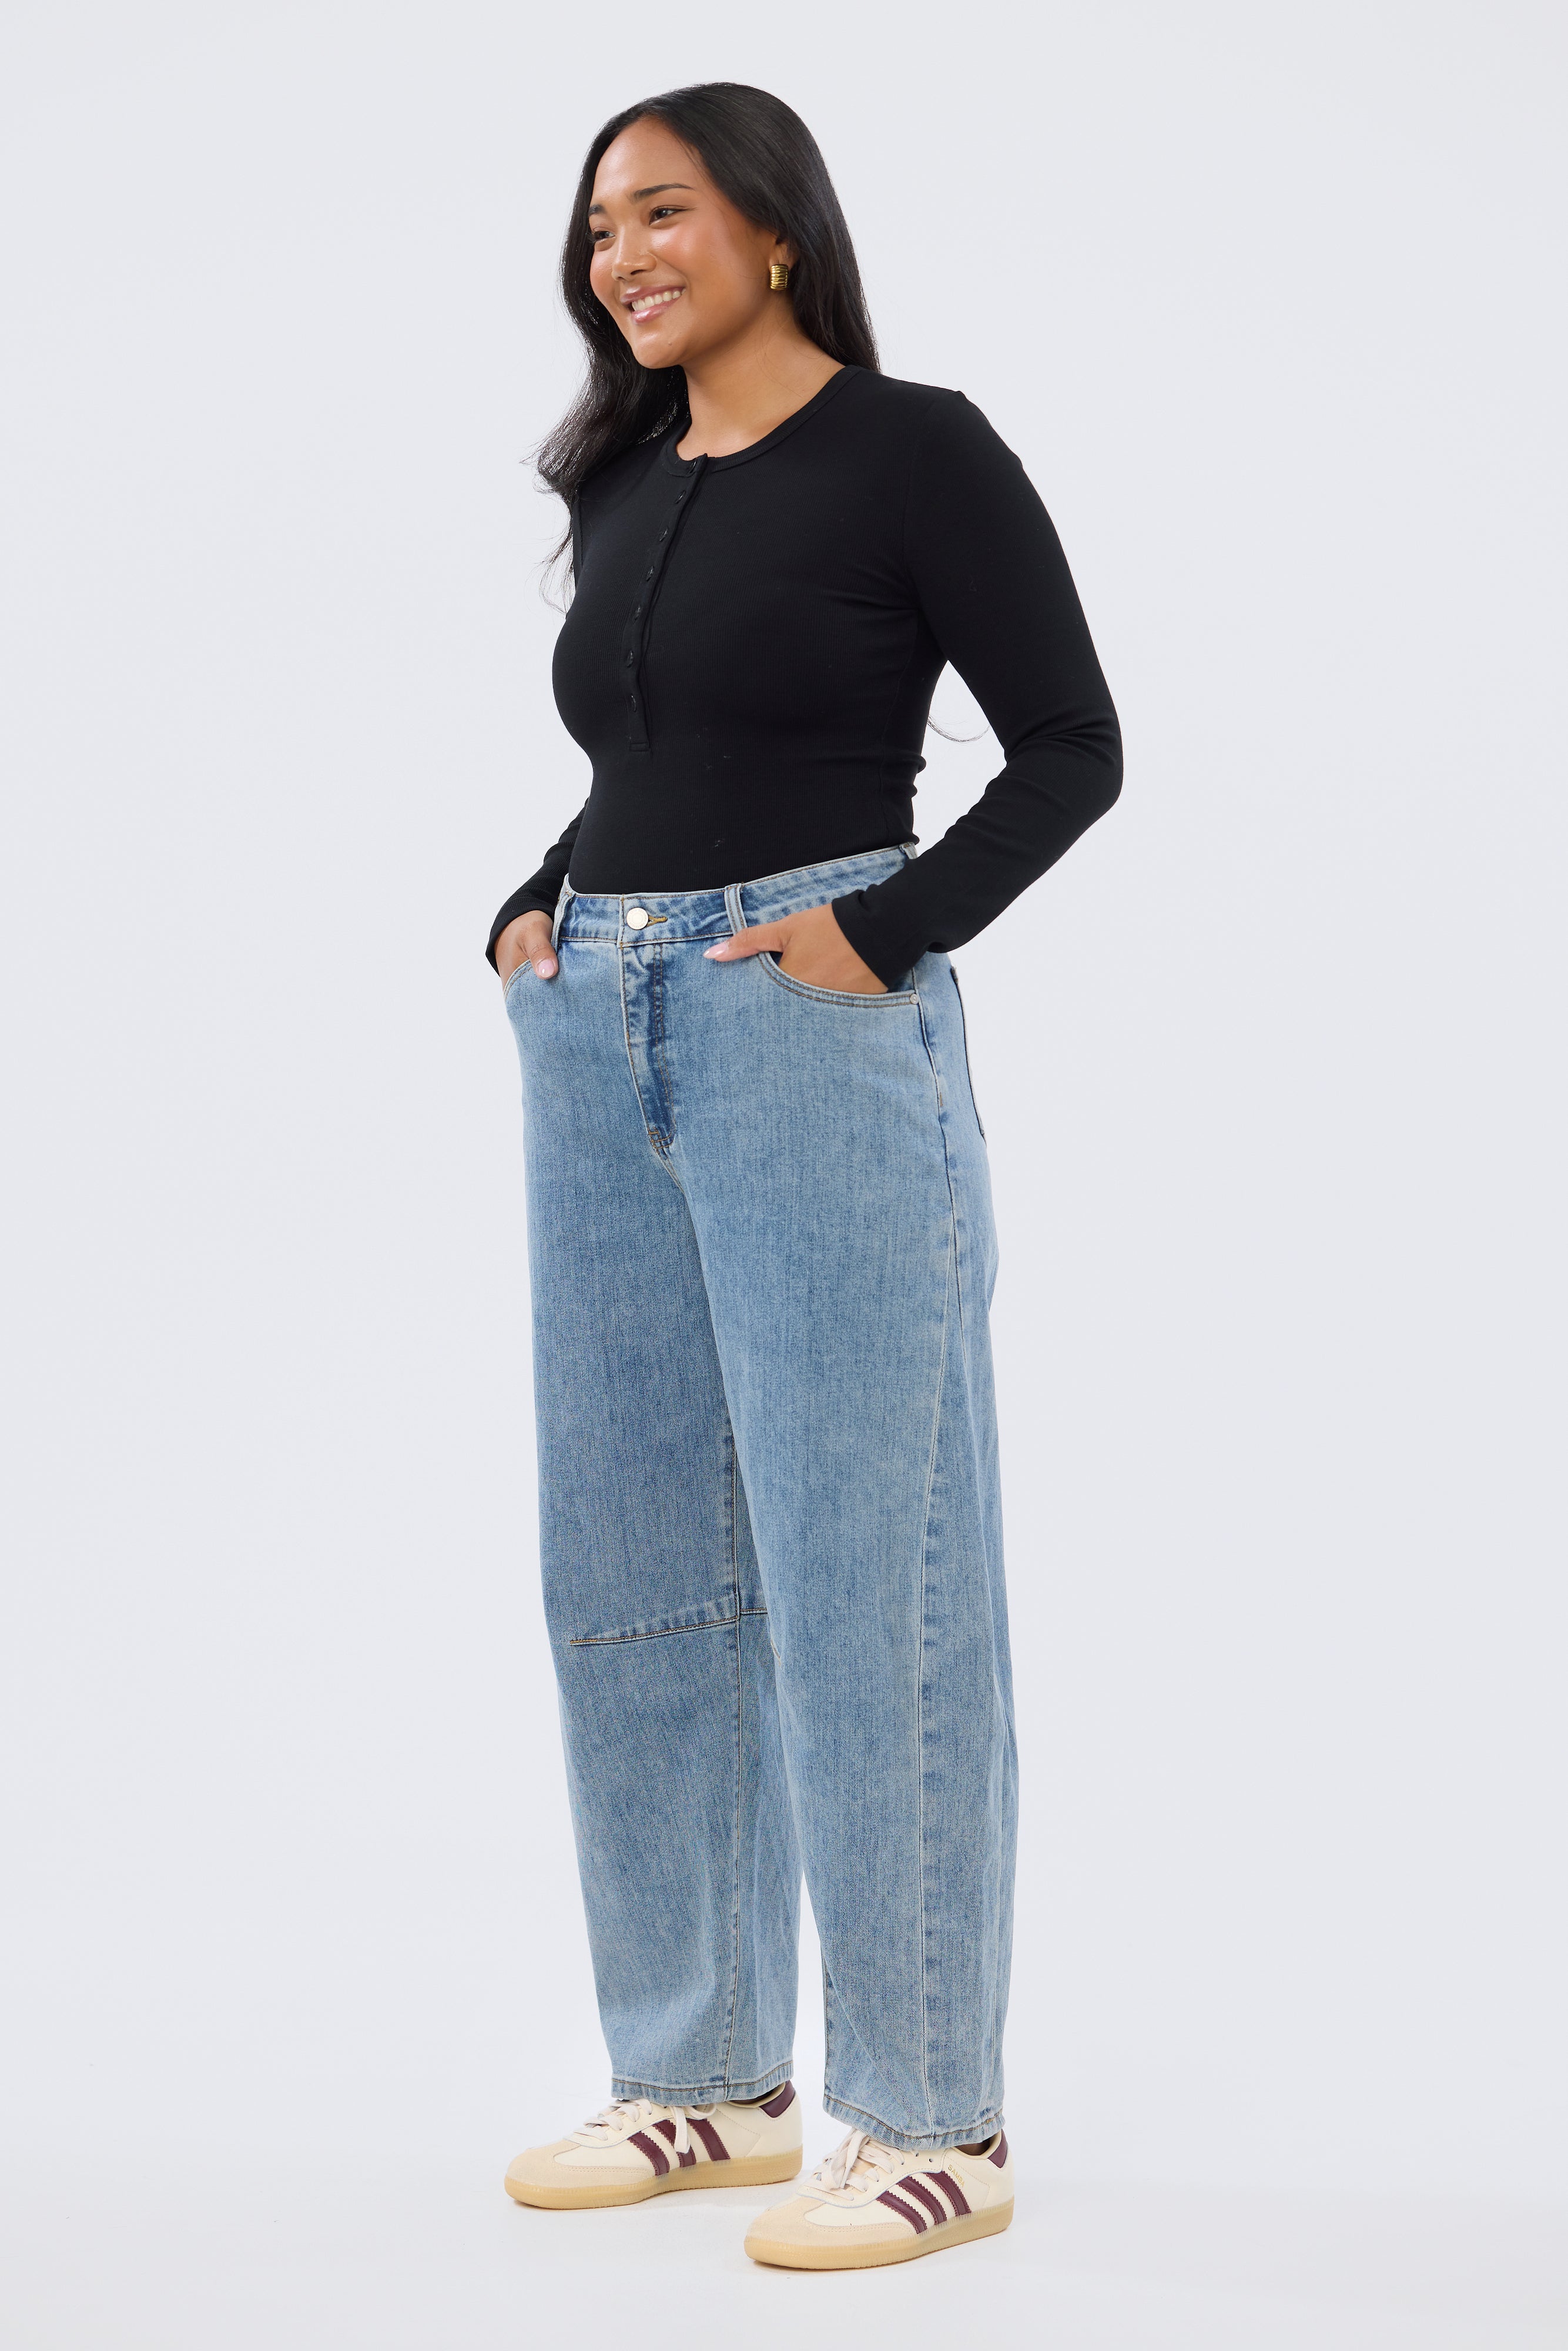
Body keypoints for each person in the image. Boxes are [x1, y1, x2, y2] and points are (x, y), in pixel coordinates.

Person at [489, 81, 1121, 2272]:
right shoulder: (627, 474)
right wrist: (538, 901)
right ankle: (704, 2080)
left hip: (812, 1024)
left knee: (876, 1572)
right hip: (601, 1027)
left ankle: (934, 2119)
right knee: (633, 1561)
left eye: (661, 211)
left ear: (773, 227)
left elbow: (1072, 751)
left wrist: (885, 928)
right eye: (598, 226)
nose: (621, 256)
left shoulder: (915, 451)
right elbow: (649, 751)